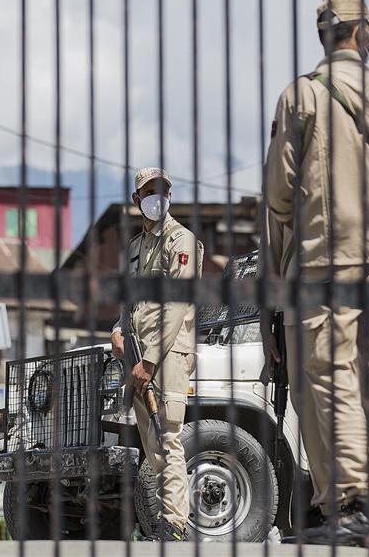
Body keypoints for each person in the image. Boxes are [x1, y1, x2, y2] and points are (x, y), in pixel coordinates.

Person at [261, 0, 369, 548]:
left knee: (331, 377)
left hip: (323, 260)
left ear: (325, 37)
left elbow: (278, 194)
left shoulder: (300, 96)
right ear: (360, 35)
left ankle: (356, 503)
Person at [111, 167, 203, 542]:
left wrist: (149, 361)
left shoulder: (180, 240)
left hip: (166, 356)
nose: (157, 197)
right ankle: (172, 517)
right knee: (152, 444)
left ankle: (175, 524)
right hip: (137, 357)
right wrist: (117, 331)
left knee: (168, 435)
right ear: (137, 200)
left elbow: (177, 305)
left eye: (163, 190)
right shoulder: (135, 247)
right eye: (149, 191)